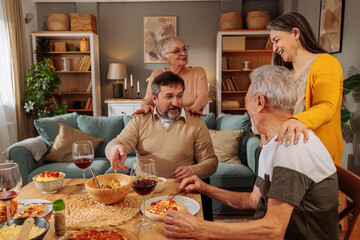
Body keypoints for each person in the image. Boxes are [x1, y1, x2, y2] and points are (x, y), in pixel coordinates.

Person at [163, 65, 339, 240]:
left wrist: (200, 229)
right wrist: (204, 187)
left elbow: (273, 231)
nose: (246, 107)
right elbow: (253, 201)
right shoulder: (273, 144)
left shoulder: (292, 147)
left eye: (246, 98)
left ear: (260, 102)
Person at [105, 71, 217, 220]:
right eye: (169, 96)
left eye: (179, 96)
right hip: (145, 193)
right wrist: (115, 150)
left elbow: (211, 162)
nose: (176, 103)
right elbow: (115, 144)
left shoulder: (196, 123)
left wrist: (192, 170)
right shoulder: (141, 120)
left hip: (181, 195)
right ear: (154, 98)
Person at [266, 12, 343, 165]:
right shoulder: (286, 75)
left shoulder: (326, 63)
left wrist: (295, 121)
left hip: (318, 159)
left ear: (295, 33)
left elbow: (326, 107)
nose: (274, 48)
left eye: (276, 40)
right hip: (291, 157)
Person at [132, 36, 209, 116]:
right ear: (166, 59)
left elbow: (203, 95)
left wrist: (192, 110)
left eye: (184, 49)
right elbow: (147, 101)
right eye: (176, 51)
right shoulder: (156, 75)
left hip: (190, 119)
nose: (183, 53)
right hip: (164, 120)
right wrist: (146, 107)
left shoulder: (198, 72)